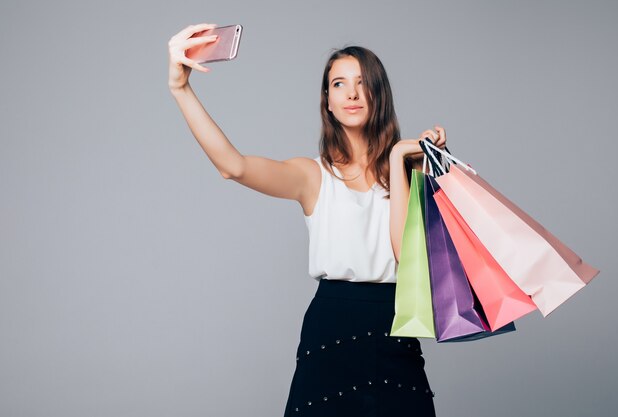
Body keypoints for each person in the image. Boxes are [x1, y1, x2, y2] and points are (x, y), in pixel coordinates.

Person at [168, 23, 448, 417]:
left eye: (362, 83)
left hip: (394, 331)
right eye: (338, 84)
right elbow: (233, 166)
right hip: (331, 330)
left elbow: (407, 258)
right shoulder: (312, 176)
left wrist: (407, 164)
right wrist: (181, 89)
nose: (351, 93)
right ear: (327, 102)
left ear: (379, 95)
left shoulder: (411, 168)